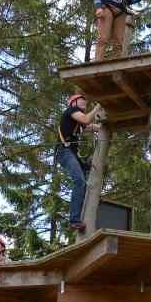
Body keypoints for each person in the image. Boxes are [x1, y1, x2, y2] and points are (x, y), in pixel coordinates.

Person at [56, 94, 101, 232]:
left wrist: (104, 126)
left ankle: (83, 212)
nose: (84, 103)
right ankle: (74, 220)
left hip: (72, 154)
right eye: (81, 101)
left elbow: (91, 126)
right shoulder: (70, 112)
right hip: (65, 152)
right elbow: (87, 120)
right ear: (73, 103)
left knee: (87, 172)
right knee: (79, 181)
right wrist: (99, 106)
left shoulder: (78, 122)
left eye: (85, 102)